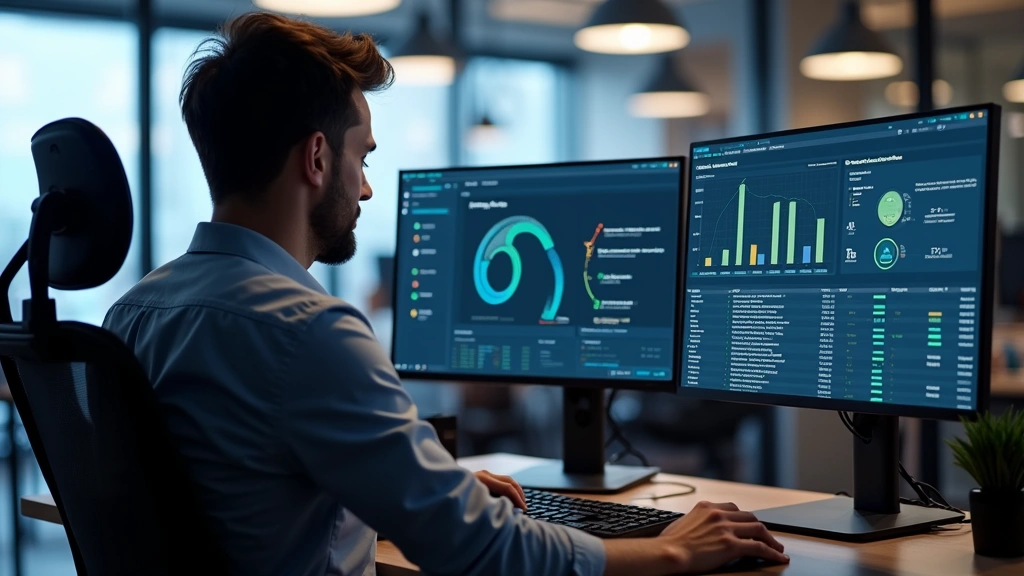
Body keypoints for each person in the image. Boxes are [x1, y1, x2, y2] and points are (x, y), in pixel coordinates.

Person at [103, 12, 789, 576]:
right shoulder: (310, 330)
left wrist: (425, 490)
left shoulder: (132, 316)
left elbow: (238, 493)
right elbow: (481, 552)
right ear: (316, 159)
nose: (368, 187)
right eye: (362, 156)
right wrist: (674, 547)